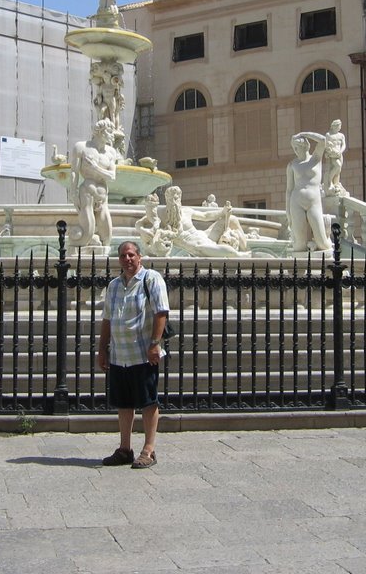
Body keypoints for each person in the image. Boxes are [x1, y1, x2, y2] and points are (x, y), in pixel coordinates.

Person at [97, 241, 170, 469]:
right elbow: (107, 319)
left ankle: (149, 450)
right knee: (124, 404)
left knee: (148, 402)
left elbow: (161, 312)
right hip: (120, 355)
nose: (127, 259)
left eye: (131, 255)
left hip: (143, 353)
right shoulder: (114, 285)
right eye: (123, 256)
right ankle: (125, 449)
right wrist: (102, 348)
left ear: (139, 256)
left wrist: (154, 344)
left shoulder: (151, 279)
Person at [69, 119, 118, 247]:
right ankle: (82, 242)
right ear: (100, 132)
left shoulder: (111, 152)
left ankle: (101, 249)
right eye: (110, 131)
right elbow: (74, 171)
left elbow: (112, 176)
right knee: (88, 228)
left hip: (103, 194)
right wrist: (73, 193)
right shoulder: (81, 147)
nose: (113, 134)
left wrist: (95, 168)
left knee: (107, 235)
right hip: (87, 190)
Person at [161, 185, 249, 257]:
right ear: (166, 199)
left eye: (177, 198)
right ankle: (242, 255)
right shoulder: (163, 215)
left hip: (204, 235)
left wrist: (223, 211)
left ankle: (246, 250)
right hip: (199, 245)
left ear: (180, 198)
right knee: (228, 251)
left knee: (232, 219)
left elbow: (205, 216)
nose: (174, 201)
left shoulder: (186, 211)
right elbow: (151, 221)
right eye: (171, 198)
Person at [286, 133, 333, 253]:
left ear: (305, 146)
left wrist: (303, 134)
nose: (295, 150)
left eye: (297, 146)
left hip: (313, 203)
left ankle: (325, 234)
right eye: (294, 148)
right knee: (299, 246)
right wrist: (288, 213)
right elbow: (289, 190)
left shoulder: (316, 159)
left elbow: (323, 140)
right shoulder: (292, 165)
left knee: (323, 244)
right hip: (296, 203)